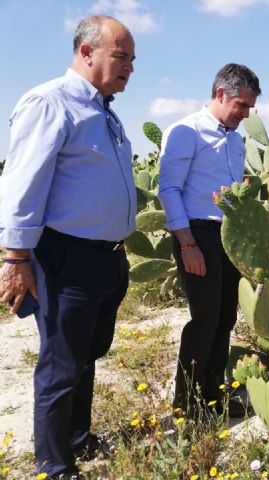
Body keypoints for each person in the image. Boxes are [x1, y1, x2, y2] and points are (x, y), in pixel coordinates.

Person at [0, 16, 136, 479]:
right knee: (60, 366)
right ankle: (54, 466)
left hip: (107, 258)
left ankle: (77, 437)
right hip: (66, 258)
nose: (129, 69)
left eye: (132, 61)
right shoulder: (50, 103)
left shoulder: (104, 111)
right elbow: (22, 184)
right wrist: (15, 258)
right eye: (121, 57)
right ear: (86, 52)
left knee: (85, 355)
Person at [158, 64, 260, 418]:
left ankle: (213, 395)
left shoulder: (236, 139)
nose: (245, 115)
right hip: (197, 233)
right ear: (221, 94)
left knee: (225, 318)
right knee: (203, 319)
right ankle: (186, 403)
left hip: (228, 234)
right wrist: (187, 244)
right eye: (241, 106)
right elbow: (169, 189)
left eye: (249, 108)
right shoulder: (187, 131)